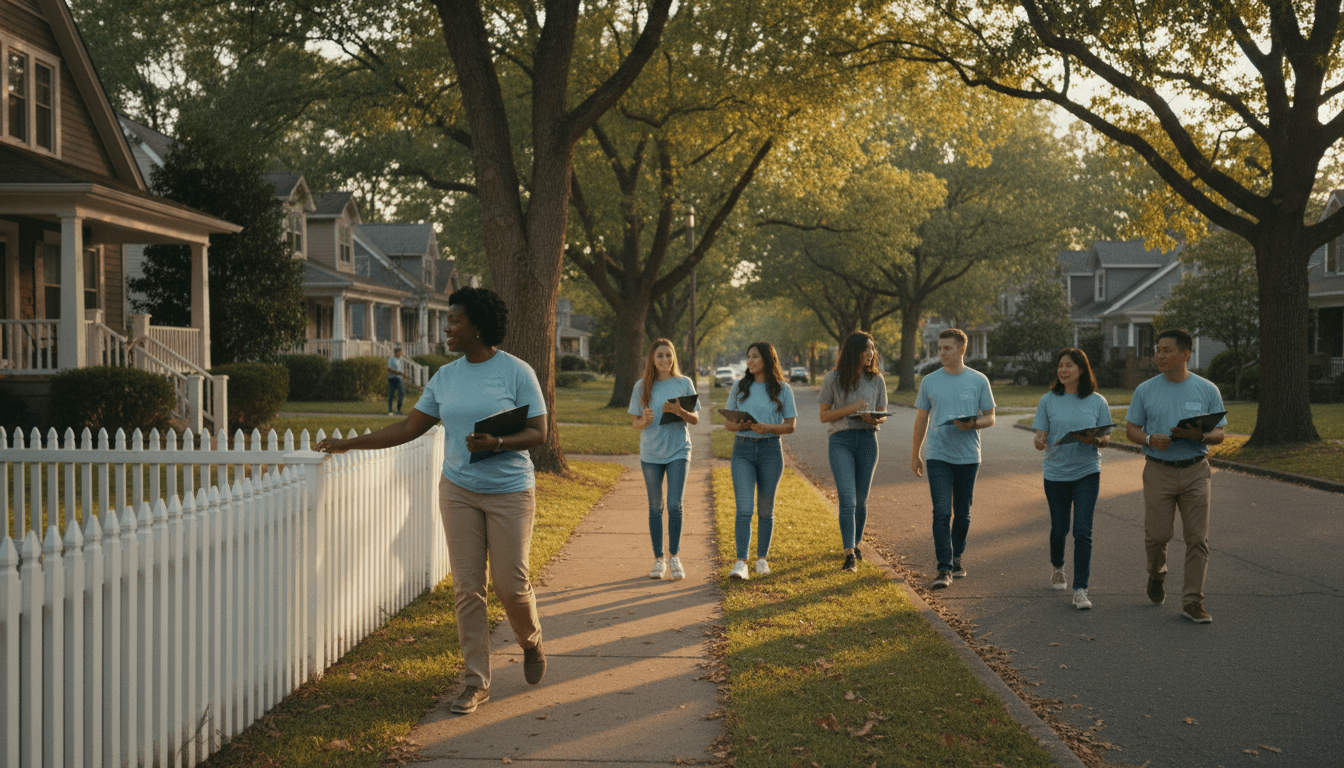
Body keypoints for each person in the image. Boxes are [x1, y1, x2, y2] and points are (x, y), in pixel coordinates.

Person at [316, 286, 548, 715]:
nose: (447, 329)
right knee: (467, 589)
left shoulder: (517, 372)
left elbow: (539, 433)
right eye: (447, 320)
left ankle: (531, 641)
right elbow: (408, 428)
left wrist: (496, 441)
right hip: (458, 490)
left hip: (510, 492)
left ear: (477, 326)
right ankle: (476, 682)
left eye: (454, 321)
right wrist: (350, 444)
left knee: (511, 586)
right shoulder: (445, 377)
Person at [1124, 328, 1225, 624]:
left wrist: (1201, 434)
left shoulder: (1207, 389)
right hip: (1158, 470)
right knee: (1157, 536)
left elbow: (1220, 433)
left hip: (1196, 470)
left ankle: (1193, 601)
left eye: (1167, 350)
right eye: (1158, 350)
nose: (1160, 355)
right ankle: (1156, 575)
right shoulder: (1145, 390)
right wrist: (1148, 439)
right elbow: (1131, 429)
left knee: (1197, 538)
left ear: (1185, 355)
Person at [910, 328, 996, 590]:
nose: (941, 353)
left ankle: (957, 556)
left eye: (947, 348)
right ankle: (943, 568)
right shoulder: (930, 381)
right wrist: (915, 453)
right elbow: (922, 418)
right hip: (938, 455)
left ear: (961, 349)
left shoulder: (978, 380)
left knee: (963, 513)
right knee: (941, 512)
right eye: (939, 348)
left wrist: (973, 424)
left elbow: (990, 416)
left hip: (969, 456)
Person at [1032, 348, 1112, 610]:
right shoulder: (1048, 400)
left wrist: (1096, 439)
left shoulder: (1097, 401)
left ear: (1081, 369)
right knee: (1059, 529)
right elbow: (1040, 436)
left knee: (1082, 531)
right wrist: (1039, 440)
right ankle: (1057, 567)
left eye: (1069, 365)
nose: (1063, 370)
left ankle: (1080, 589)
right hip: (1055, 473)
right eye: (1060, 365)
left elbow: (1106, 438)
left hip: (1087, 471)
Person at [724, 342, 797, 581]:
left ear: (767, 358)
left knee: (766, 510)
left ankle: (761, 559)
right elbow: (728, 424)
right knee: (744, 509)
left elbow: (790, 426)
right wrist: (741, 424)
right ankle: (741, 563)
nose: (750, 361)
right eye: (748, 357)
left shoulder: (783, 389)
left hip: (770, 451)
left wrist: (767, 428)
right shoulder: (739, 386)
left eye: (755, 356)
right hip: (743, 449)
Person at [629, 339, 700, 581]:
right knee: (655, 507)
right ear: (652, 358)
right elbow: (635, 422)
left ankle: (675, 556)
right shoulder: (642, 386)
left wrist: (679, 411)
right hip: (651, 454)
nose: (664, 360)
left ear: (674, 357)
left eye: (668, 355)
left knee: (674, 505)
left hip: (679, 450)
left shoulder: (684, 383)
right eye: (659, 356)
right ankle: (659, 560)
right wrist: (644, 421)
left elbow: (695, 419)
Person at [818, 331, 888, 572]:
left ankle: (855, 545)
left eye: (872, 349)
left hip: (868, 439)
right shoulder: (833, 379)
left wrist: (873, 420)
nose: (870, 354)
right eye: (866, 349)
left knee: (861, 501)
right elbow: (824, 415)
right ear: (853, 351)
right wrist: (852, 408)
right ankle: (849, 553)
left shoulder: (877, 380)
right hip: (841, 441)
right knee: (847, 499)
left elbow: (882, 415)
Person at [387, 347, 406, 416]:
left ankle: (399, 409)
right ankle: (390, 409)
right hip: (393, 378)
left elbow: (401, 369)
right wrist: (399, 373)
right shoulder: (391, 359)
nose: (400, 354)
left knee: (402, 392)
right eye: (399, 353)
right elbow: (389, 369)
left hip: (399, 378)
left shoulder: (400, 359)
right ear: (395, 353)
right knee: (391, 394)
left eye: (401, 353)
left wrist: (404, 374)